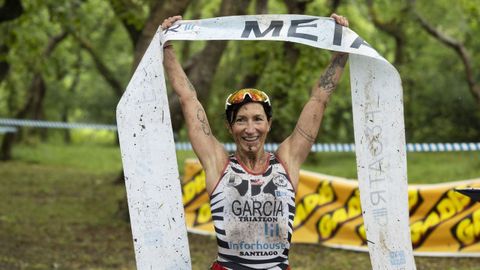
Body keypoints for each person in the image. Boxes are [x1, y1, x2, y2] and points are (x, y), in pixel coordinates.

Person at [162, 13, 349, 270]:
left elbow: (319, 99)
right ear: (230, 127)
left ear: (268, 124)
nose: (250, 128)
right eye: (241, 120)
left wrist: (341, 49)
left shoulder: (287, 160)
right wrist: (167, 47)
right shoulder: (218, 164)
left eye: (258, 119)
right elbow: (188, 98)